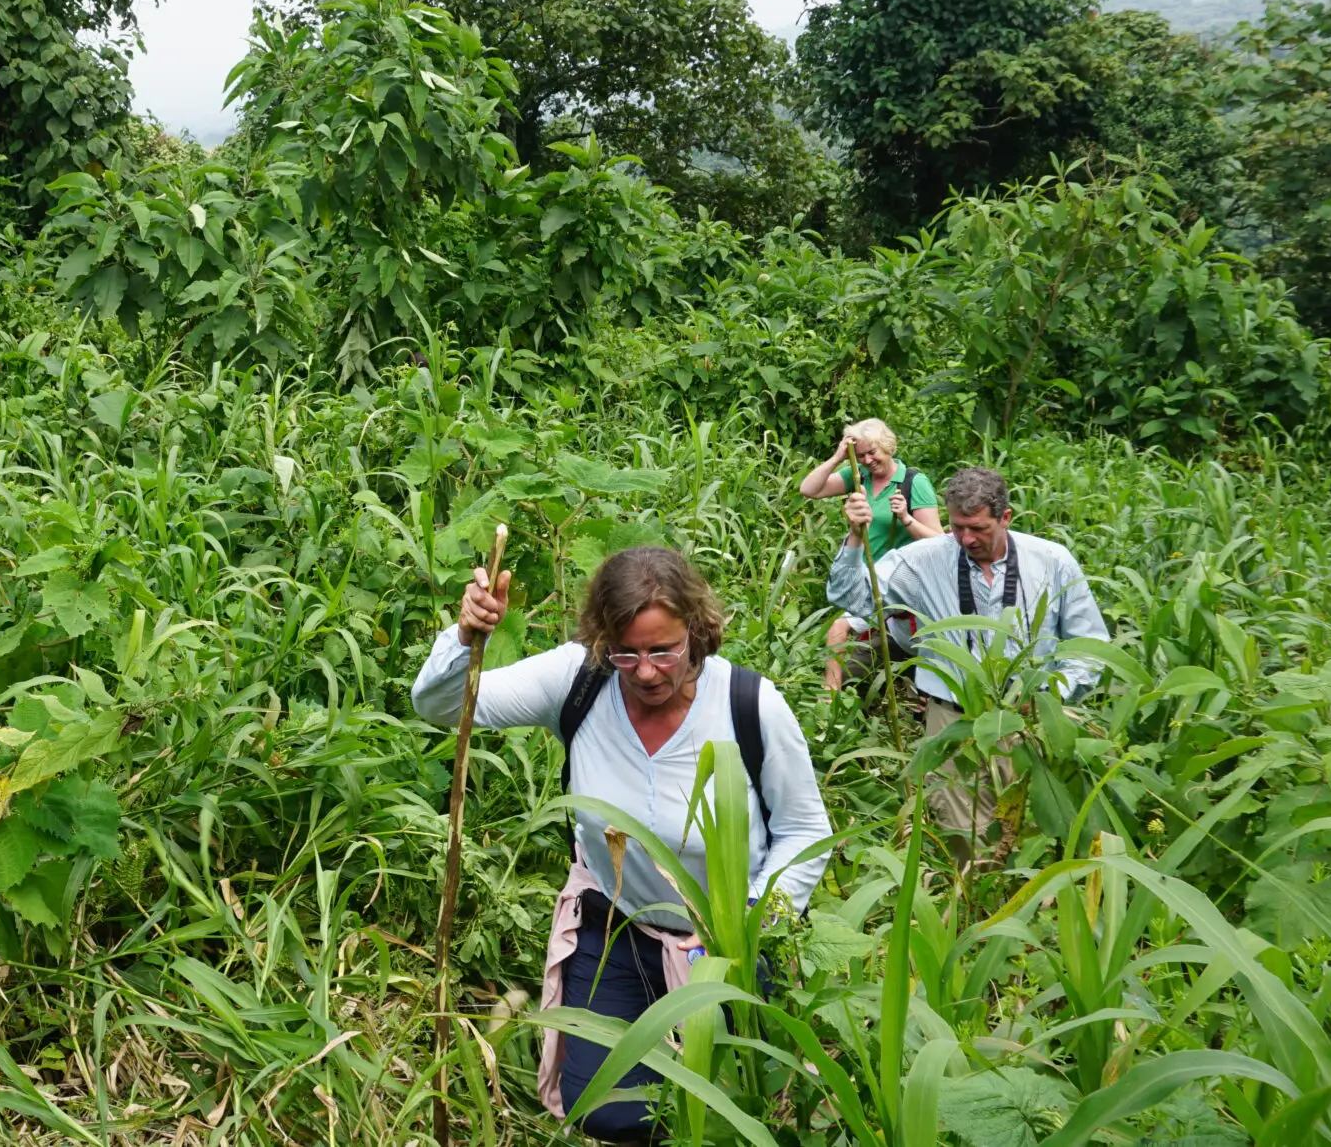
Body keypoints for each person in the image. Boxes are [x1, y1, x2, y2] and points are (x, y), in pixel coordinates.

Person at [413, 547, 832, 1143]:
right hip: (616, 930)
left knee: (740, 1103)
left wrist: (746, 922)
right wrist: (466, 635)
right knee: (607, 1112)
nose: (646, 671)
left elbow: (804, 829)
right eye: (626, 653)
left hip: (732, 942)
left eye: (664, 650)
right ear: (601, 640)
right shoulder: (578, 680)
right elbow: (440, 705)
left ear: (696, 630)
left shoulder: (748, 704)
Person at [826, 464, 1110, 857]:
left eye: (978, 528)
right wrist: (856, 538)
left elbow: (1090, 645)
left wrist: (1052, 692)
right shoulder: (922, 560)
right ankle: (971, 911)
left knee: (1029, 834)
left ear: (1005, 517)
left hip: (1027, 717)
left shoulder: (1051, 561)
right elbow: (853, 597)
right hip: (952, 720)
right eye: (958, 527)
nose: (965, 538)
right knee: (962, 837)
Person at [798, 420, 941, 691]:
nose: (867, 460)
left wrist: (906, 518)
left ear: (887, 446)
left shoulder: (913, 482)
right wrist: (839, 457)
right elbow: (809, 489)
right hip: (865, 580)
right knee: (843, 634)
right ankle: (832, 700)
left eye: (872, 452)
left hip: (901, 583)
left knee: (845, 629)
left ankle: (838, 696)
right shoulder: (858, 475)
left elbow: (938, 541)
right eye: (861, 455)